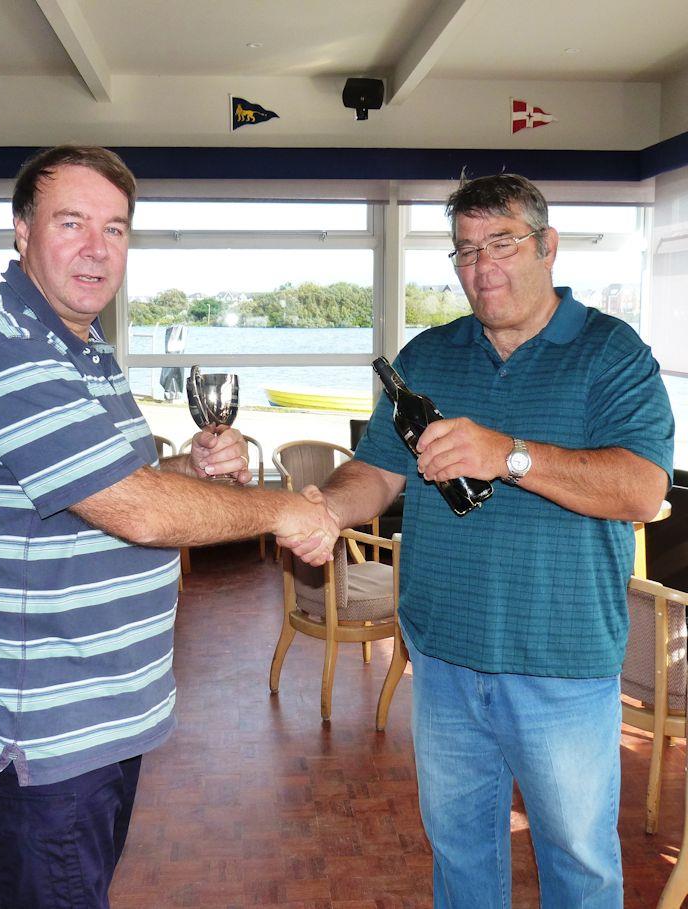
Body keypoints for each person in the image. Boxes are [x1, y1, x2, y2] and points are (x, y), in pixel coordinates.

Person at [0, 145, 337, 909]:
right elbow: (137, 511)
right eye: (72, 222)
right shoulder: (13, 350)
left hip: (76, 719)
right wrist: (282, 507)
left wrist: (195, 476)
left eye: (116, 228)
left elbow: (116, 487)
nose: (97, 248)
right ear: (21, 230)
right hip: (36, 737)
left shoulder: (78, 342)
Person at [285, 174, 674, 907]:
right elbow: (377, 468)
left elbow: (642, 488)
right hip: (443, 659)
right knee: (461, 856)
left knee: (581, 867)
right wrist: (330, 509)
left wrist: (509, 454)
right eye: (465, 249)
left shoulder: (611, 353)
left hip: (562, 662)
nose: (481, 266)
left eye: (502, 242)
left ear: (548, 246)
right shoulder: (430, 355)